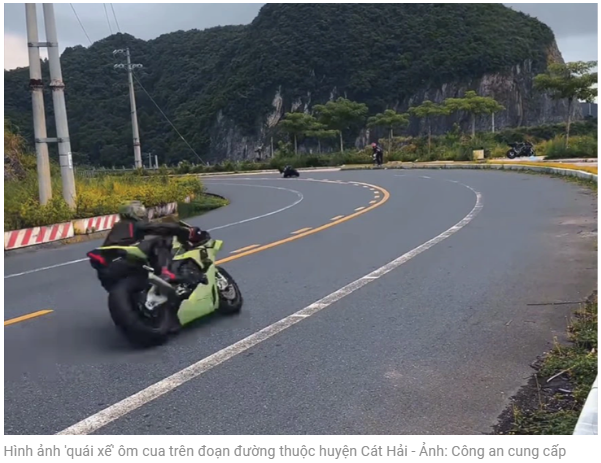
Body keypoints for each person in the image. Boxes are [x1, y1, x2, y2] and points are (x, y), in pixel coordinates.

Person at [99, 200, 208, 332]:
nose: (143, 212)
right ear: (134, 213)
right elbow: (160, 228)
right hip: (123, 257)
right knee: (158, 241)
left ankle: (154, 310)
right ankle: (165, 270)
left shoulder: (118, 229)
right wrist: (185, 231)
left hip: (108, 267)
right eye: (140, 210)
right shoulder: (132, 224)